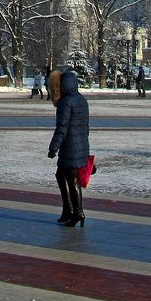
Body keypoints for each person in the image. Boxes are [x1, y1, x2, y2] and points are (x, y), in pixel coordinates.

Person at [48, 70, 90, 227]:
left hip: (70, 146)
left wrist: (53, 148)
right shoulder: (81, 99)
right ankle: (68, 210)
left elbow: (62, 127)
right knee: (62, 175)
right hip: (80, 144)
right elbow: (85, 126)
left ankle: (77, 212)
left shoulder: (65, 102)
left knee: (72, 179)